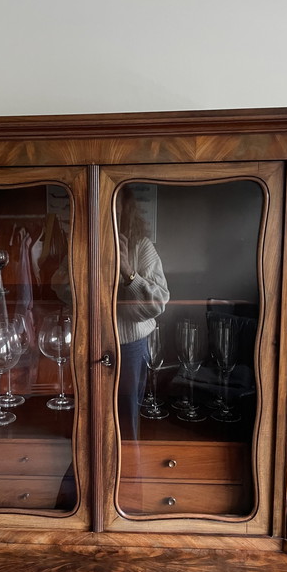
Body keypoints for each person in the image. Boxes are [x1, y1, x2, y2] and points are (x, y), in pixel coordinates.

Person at [116, 186, 170, 438]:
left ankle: (128, 474)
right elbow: (61, 289)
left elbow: (158, 303)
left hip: (130, 347)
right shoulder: (83, 245)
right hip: (87, 342)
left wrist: (128, 272)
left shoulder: (141, 247)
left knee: (127, 418)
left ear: (125, 209)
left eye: (116, 206)